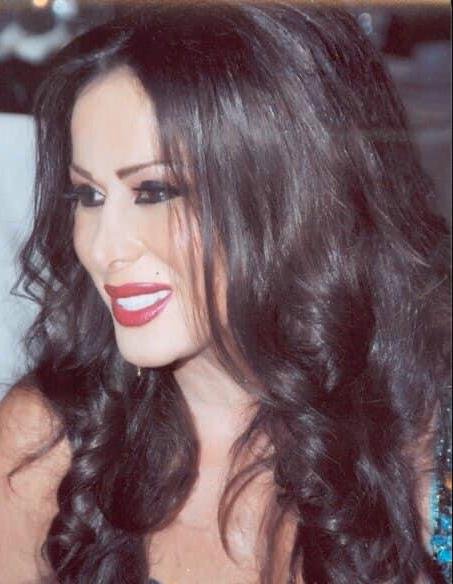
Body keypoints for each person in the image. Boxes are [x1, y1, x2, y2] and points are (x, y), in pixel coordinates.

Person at [0, 3, 451, 583]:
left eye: (154, 190)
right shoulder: (45, 444)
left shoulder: (428, 443)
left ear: (291, 195)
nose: (104, 247)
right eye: (87, 196)